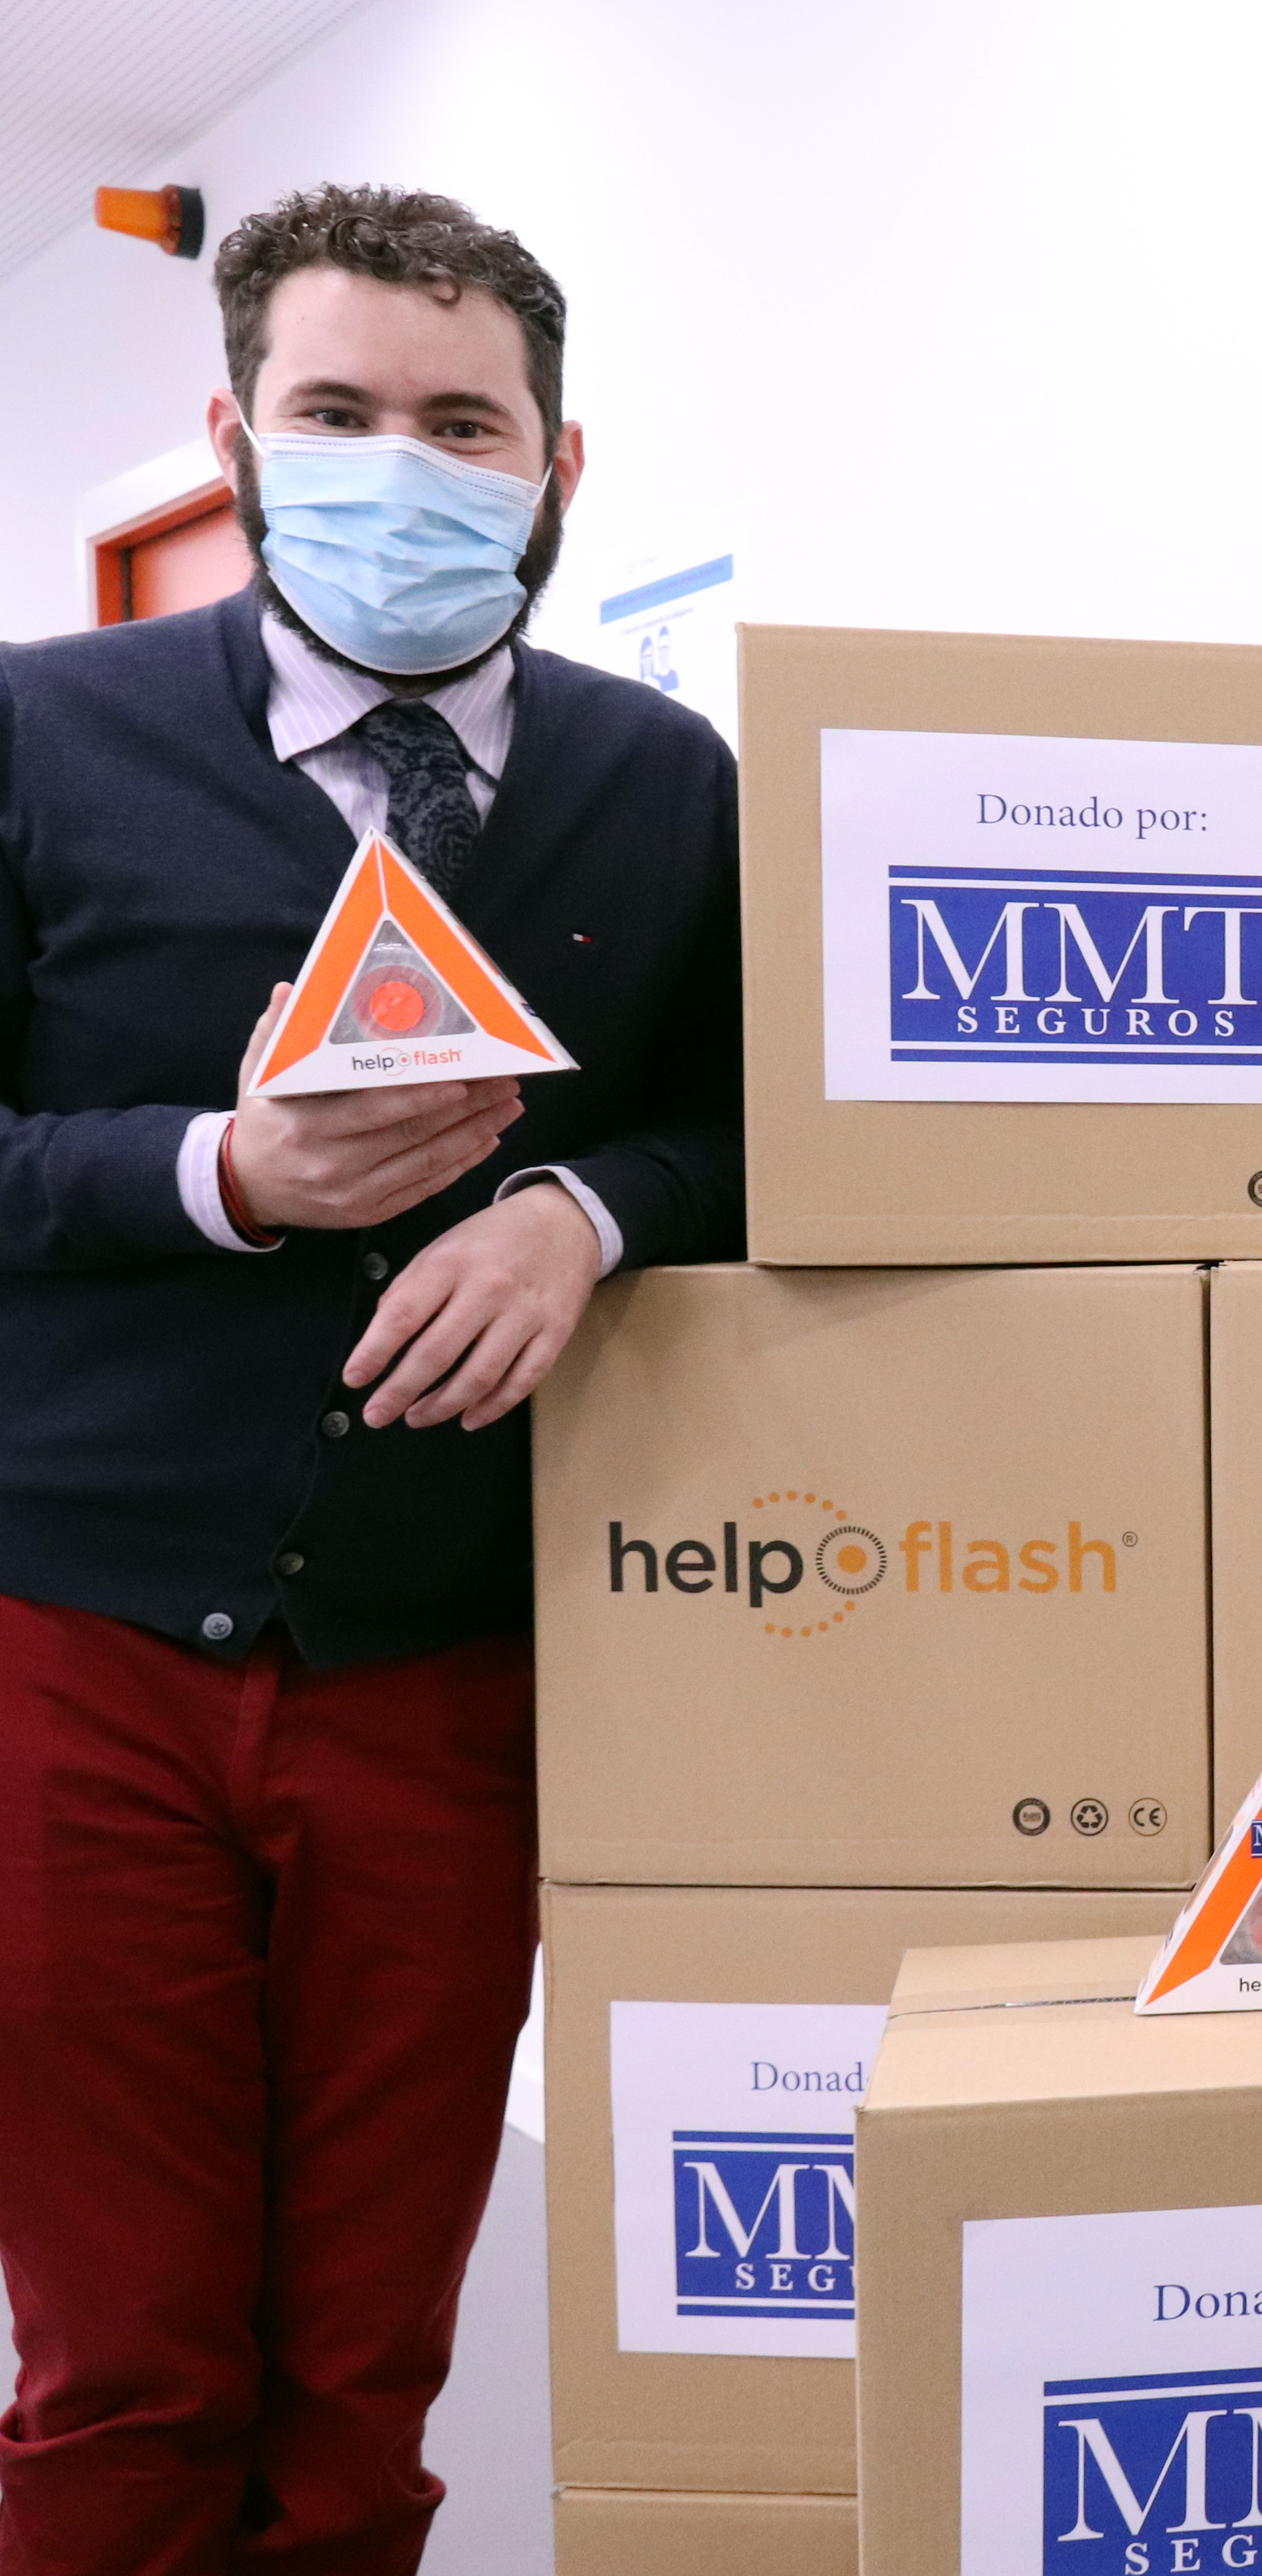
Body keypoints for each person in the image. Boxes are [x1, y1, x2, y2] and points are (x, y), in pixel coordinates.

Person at [0, 188, 742, 2572]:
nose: (400, 469)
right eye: (335, 414)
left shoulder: (666, 781)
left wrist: (587, 1213)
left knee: (357, 2382)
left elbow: (761, 1128)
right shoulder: (41, 732)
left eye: (462, 425)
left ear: (557, 466)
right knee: (127, 2370)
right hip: (79, 1654)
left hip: (448, 1667)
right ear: (233, 440)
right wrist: (216, 1171)